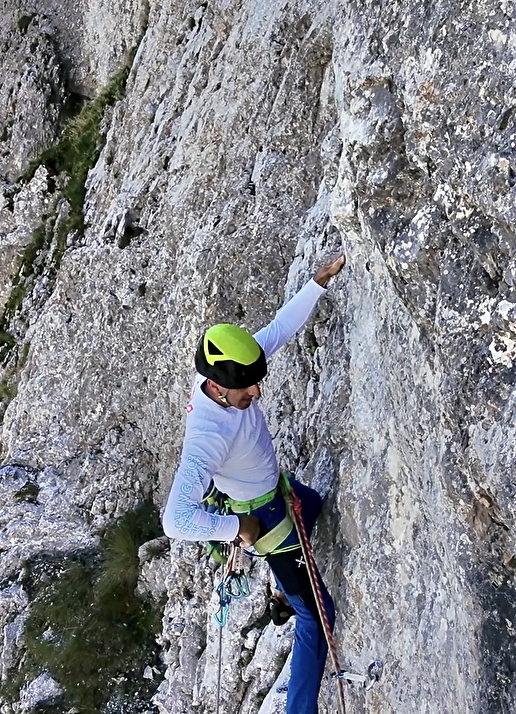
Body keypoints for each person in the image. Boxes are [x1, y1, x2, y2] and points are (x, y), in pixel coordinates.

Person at [162, 253, 346, 714]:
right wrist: (235, 529)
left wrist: (316, 283)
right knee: (318, 619)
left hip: (279, 492)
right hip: (263, 519)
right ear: (220, 388)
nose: (258, 393)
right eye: (249, 390)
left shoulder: (225, 373)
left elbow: (278, 331)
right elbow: (175, 519)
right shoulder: (207, 437)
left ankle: (286, 588)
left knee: (315, 504)